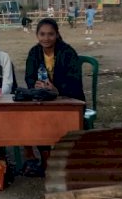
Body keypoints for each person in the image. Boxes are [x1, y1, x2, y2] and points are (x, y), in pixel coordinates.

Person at [23, 18, 85, 176]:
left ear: (57, 34)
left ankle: (65, 160)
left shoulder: (68, 52)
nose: (46, 38)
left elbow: (75, 81)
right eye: (42, 34)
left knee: (53, 119)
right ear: (37, 35)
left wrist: (57, 90)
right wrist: (36, 85)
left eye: (50, 34)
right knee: (35, 118)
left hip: (68, 99)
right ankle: (45, 158)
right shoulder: (34, 52)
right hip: (43, 100)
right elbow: (29, 77)